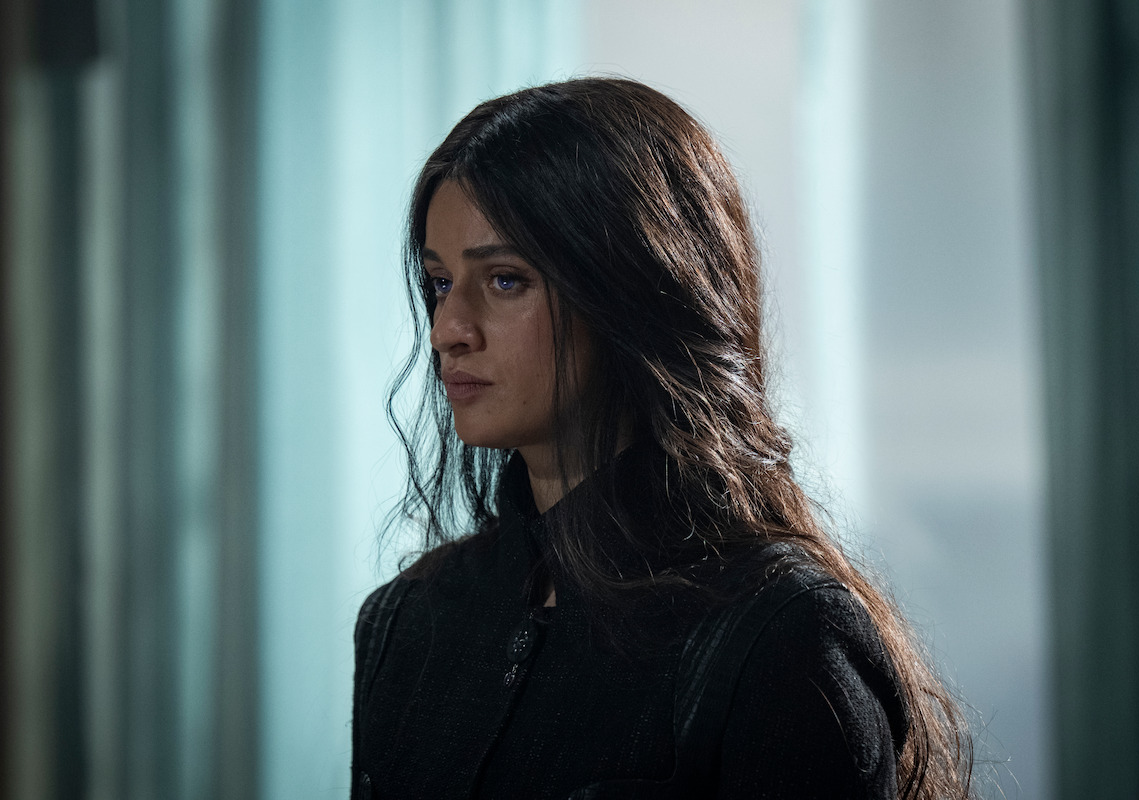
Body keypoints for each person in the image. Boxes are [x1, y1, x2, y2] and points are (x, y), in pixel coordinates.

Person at [351, 77, 974, 799]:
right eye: (438, 282)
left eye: (505, 280)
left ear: (634, 293)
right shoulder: (409, 624)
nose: (447, 330)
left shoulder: (783, 636)